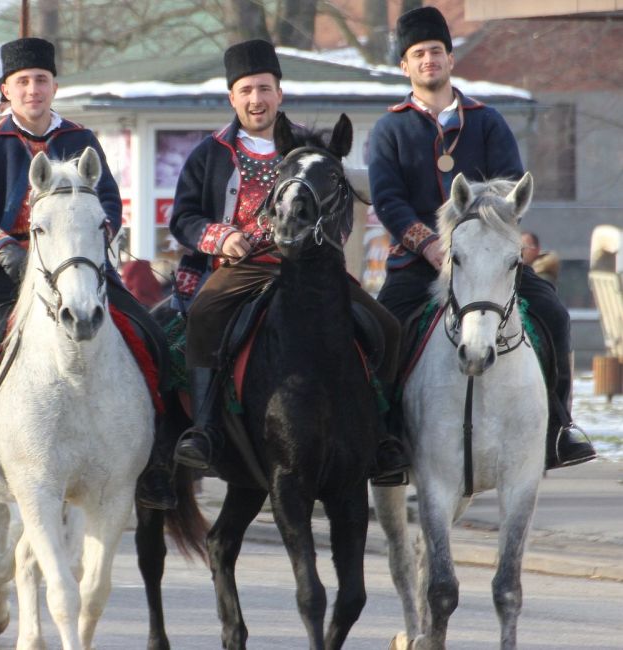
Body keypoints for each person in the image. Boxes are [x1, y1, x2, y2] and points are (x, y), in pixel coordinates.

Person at [0, 37, 175, 508]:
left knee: (149, 332)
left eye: (41, 80)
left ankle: (156, 461)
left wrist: (92, 242)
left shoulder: (80, 139)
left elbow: (107, 203)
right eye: (23, 82)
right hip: (6, 269)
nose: (33, 89)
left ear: (54, 86)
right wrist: (1, 248)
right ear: (7, 89)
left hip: (75, 265)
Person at [368, 6, 595, 472]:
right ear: (404, 67)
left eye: (436, 51)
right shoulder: (389, 128)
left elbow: (511, 185)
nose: (428, 60)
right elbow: (387, 200)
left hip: (490, 260)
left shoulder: (487, 120)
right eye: (418, 54)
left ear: (451, 60)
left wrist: (490, 240)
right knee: (382, 330)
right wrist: (429, 245)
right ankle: (384, 437)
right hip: (417, 263)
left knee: (551, 310)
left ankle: (559, 425)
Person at [167, 40, 407, 479]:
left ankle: (384, 435)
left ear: (280, 93)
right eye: (246, 91)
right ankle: (204, 430)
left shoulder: (311, 149)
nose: (256, 99)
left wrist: (325, 241)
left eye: (264, 88)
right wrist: (222, 237)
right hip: (242, 269)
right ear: (232, 98)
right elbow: (183, 218)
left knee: (386, 328)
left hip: (310, 270)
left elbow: (340, 210)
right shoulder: (210, 153)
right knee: (202, 315)